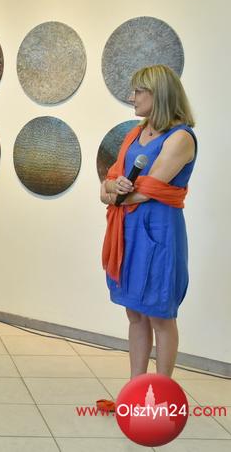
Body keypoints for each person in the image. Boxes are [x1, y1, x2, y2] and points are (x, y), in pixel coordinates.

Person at [101, 64, 197, 380]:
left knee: (160, 316)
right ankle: (136, 388)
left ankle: (161, 391)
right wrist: (111, 187)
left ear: (159, 94)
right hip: (129, 231)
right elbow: (109, 184)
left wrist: (114, 192)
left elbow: (148, 189)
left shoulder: (180, 137)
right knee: (136, 314)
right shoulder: (135, 133)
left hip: (160, 233)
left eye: (138, 91)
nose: (132, 97)